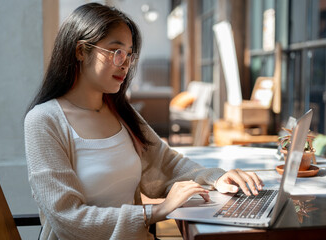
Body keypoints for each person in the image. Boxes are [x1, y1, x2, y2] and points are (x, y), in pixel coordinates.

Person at [24, 3, 263, 240]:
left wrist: (216, 177)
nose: (125, 63)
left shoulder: (119, 111)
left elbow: (166, 163)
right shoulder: (44, 121)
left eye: (129, 54)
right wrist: (156, 211)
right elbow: (68, 218)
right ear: (80, 51)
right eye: (116, 51)